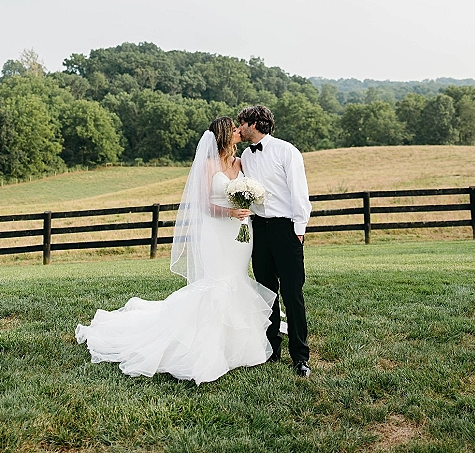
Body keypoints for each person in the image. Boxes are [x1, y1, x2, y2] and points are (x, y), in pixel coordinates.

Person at [75, 117, 277, 385]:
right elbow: (205, 205)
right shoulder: (207, 165)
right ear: (224, 135)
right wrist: (231, 211)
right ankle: (206, 346)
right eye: (235, 129)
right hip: (215, 231)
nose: (240, 131)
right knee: (216, 282)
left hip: (240, 233)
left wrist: (247, 205)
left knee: (237, 279)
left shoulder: (240, 163)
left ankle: (238, 344)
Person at [238, 104, 312, 378]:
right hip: (259, 231)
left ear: (254, 123)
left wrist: (299, 230)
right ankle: (271, 349)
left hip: (286, 230)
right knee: (266, 293)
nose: (239, 128)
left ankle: (300, 357)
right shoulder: (246, 155)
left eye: (242, 122)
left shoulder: (286, 151)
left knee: (292, 294)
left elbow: (299, 191)